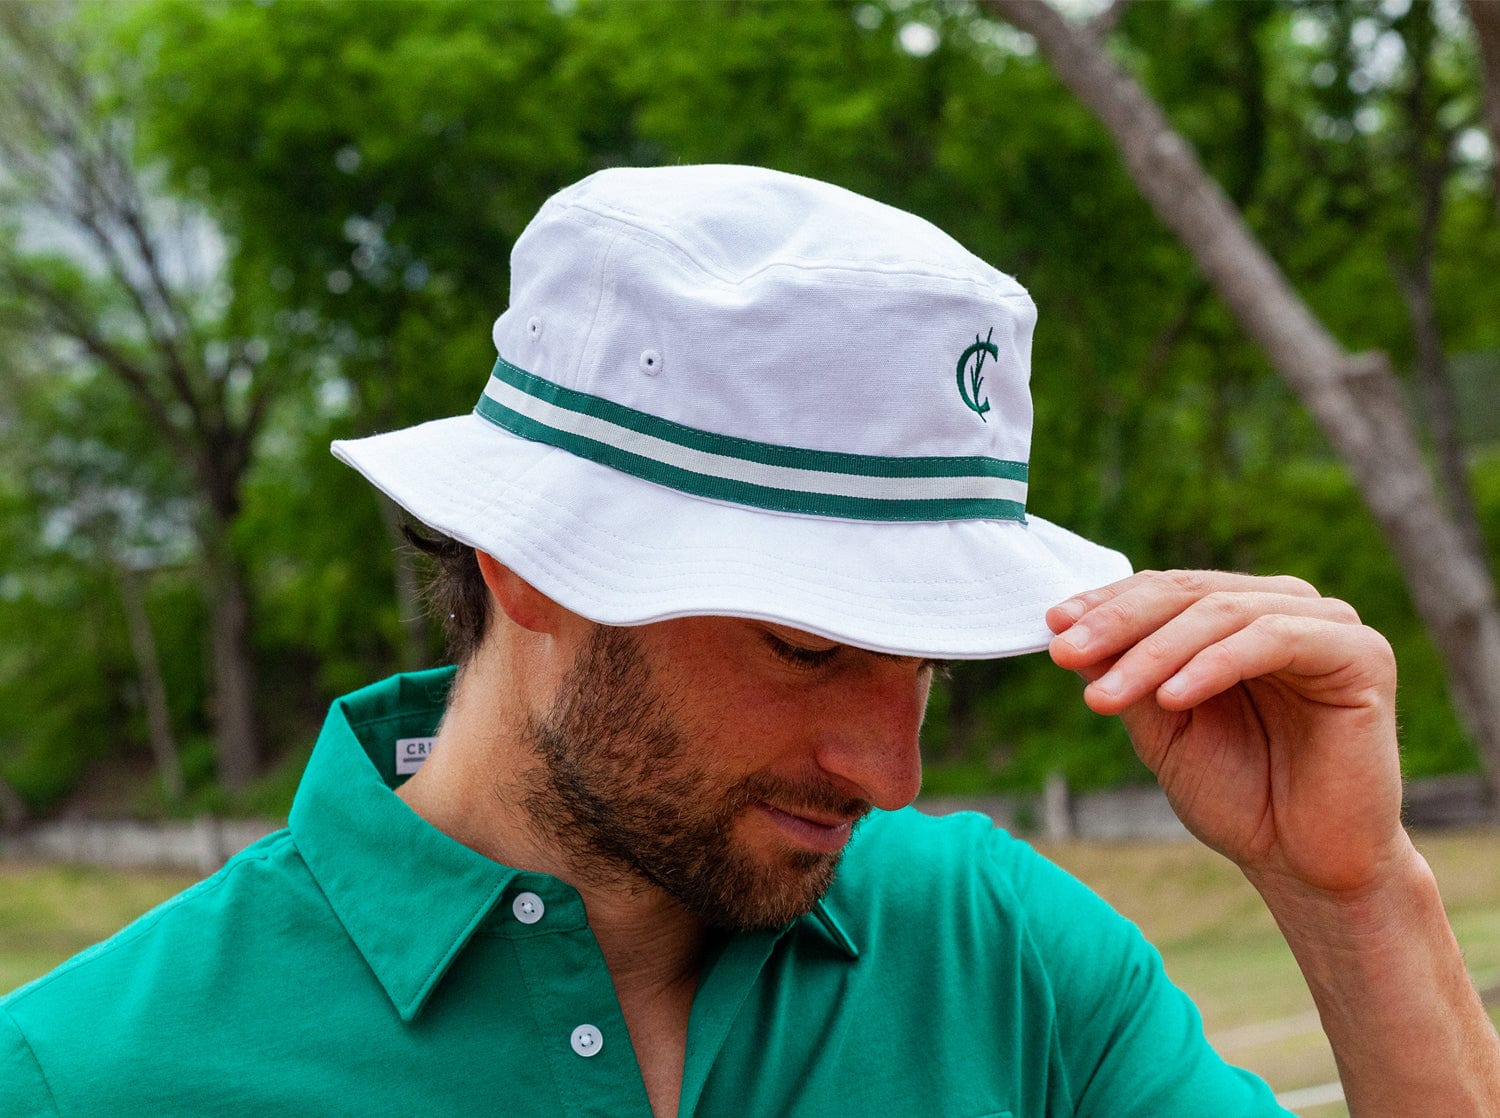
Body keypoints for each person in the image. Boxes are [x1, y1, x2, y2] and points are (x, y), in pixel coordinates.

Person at [2, 164, 1496, 1118]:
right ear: (531, 560)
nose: (892, 774)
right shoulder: (90, 1075)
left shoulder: (1002, 956)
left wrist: (1356, 898)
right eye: (804, 644)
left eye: (924, 656)